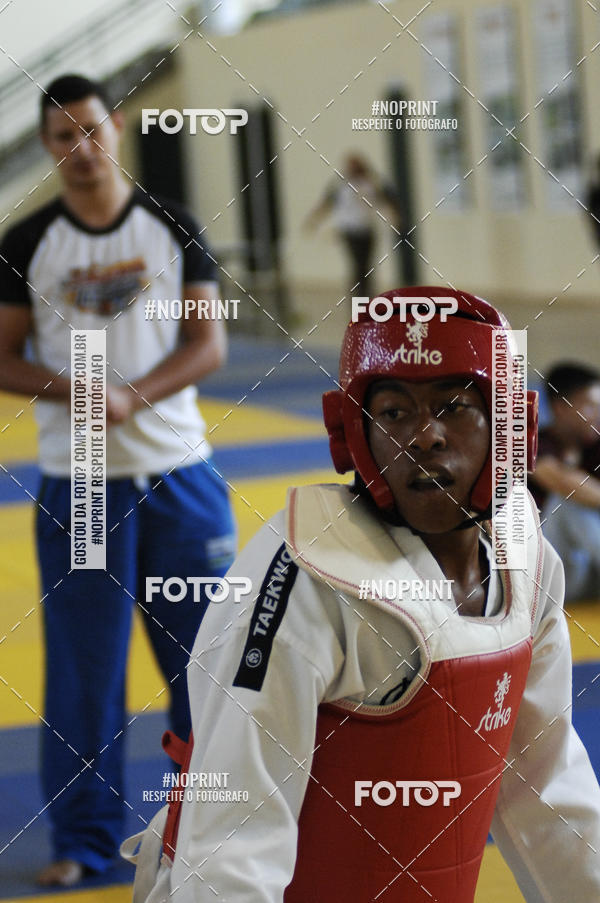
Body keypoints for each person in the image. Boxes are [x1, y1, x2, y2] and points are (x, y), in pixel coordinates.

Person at [124, 287, 600, 902]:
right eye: (394, 412)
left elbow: (546, 784)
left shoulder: (525, 557)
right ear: (354, 433)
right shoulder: (305, 573)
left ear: (510, 424)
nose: (424, 436)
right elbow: (231, 841)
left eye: (454, 406)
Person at [0, 74, 236, 887]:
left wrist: (131, 395)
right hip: (84, 482)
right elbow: (1, 354)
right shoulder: (27, 241)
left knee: (203, 667)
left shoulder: (173, 225)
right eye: (62, 137)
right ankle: (86, 839)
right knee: (85, 673)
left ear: (118, 127)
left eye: (90, 131)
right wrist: (74, 389)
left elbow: (208, 348)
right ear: (48, 146)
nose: (80, 149)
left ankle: (209, 832)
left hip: (179, 472)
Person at [529, 363, 600, 602]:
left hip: (590, 573)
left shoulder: (594, 447)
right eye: (590, 406)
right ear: (561, 407)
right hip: (549, 580)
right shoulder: (533, 443)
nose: (598, 415)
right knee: (567, 502)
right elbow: (560, 481)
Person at [304, 153, 400, 297]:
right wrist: (314, 220)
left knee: (367, 266)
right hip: (349, 230)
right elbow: (327, 203)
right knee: (358, 265)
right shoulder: (341, 185)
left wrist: (395, 217)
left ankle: (367, 297)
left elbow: (387, 199)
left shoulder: (372, 183)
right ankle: (358, 298)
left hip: (367, 229)